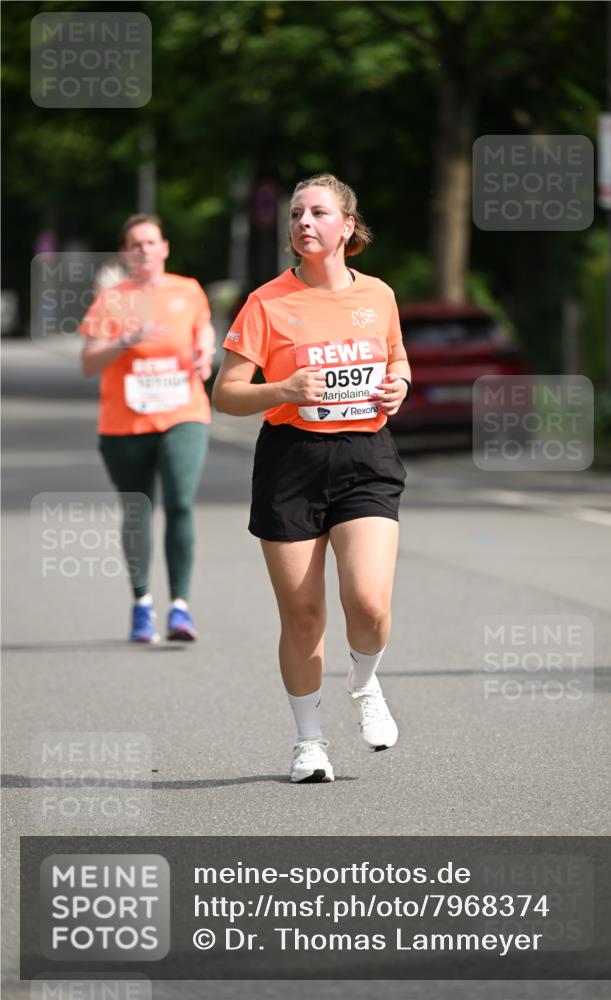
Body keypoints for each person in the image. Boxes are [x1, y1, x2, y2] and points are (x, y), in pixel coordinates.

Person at [212, 174, 411, 783]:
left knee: (370, 602)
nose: (303, 223)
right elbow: (225, 395)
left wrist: (399, 385)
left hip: (366, 456)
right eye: (296, 213)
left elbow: (397, 357)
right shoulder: (266, 302)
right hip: (291, 461)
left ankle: (365, 681)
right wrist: (284, 390)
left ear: (346, 227)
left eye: (318, 213)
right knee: (302, 615)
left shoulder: (378, 294)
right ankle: (309, 741)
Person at [80, 214, 214, 643]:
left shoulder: (187, 290)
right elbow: (88, 362)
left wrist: (205, 351)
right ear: (124, 253)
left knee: (180, 502)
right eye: (135, 244)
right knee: (138, 510)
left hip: (183, 413)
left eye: (151, 242)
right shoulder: (112, 300)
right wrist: (125, 341)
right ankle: (142, 604)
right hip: (126, 422)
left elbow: (204, 329)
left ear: (165, 248)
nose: (144, 250)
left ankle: (180, 608)